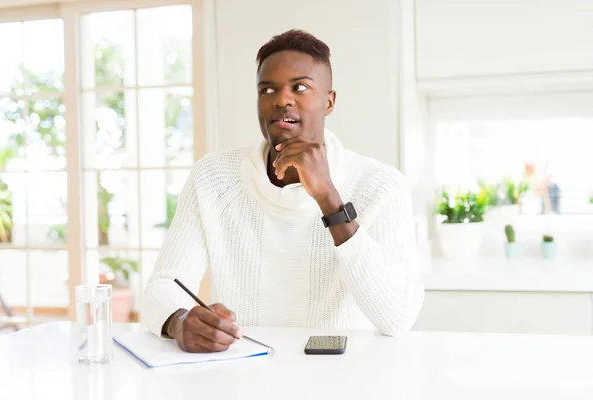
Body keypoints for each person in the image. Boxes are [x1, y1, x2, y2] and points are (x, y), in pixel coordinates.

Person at [142, 30, 424, 353]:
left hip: (340, 379)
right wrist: (179, 321)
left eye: (300, 87)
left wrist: (329, 198)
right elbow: (161, 288)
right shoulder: (212, 177)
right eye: (268, 89)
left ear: (329, 102)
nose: (281, 99)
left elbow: (398, 317)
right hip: (243, 373)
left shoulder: (381, 185)